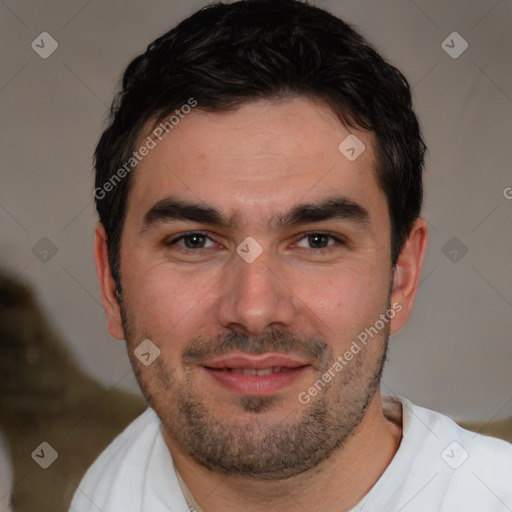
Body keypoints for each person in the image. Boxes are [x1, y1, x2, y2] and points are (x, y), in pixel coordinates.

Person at [70, 1, 512, 510]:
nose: (254, 311)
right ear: (110, 281)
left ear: (401, 278)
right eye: (194, 241)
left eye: (317, 240)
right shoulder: (115, 482)